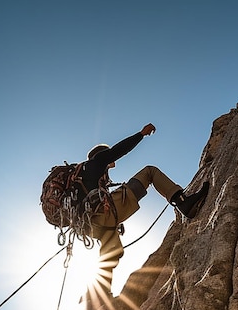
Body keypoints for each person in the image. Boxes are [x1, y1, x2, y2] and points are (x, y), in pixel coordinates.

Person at [80, 123, 209, 297]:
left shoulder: (84, 177)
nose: (113, 164)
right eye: (109, 160)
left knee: (113, 251)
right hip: (104, 214)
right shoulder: (96, 162)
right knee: (150, 172)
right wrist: (141, 134)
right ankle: (184, 203)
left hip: (91, 226)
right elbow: (119, 149)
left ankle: (97, 293)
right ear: (100, 155)